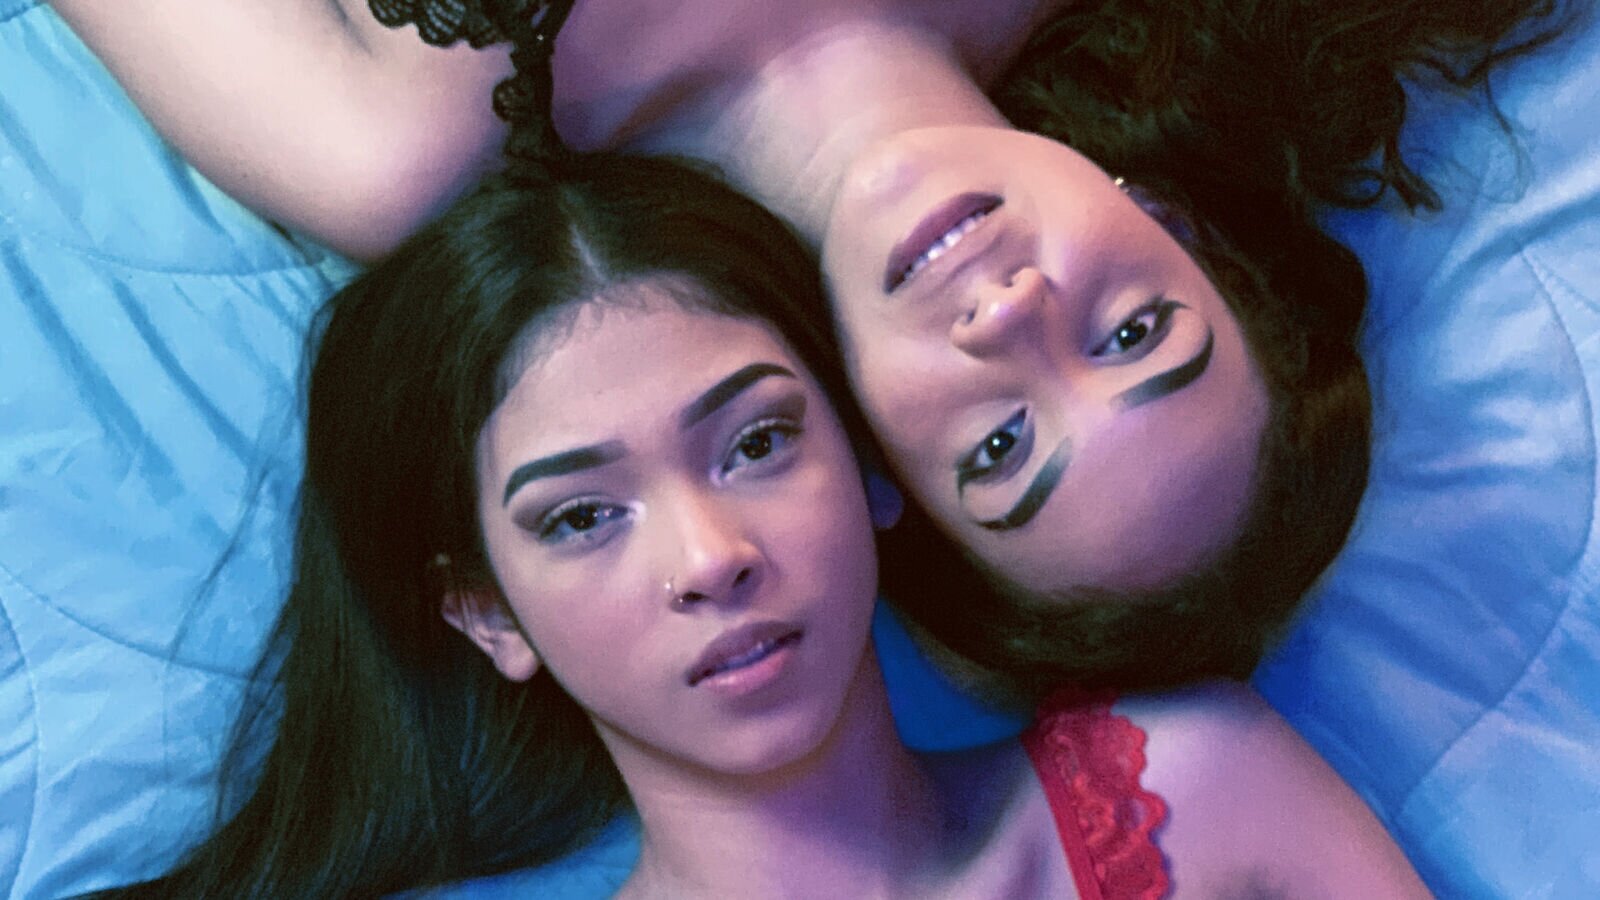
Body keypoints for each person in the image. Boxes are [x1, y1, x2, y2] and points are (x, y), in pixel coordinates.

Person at [87, 151, 1429, 899]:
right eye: (582, 516)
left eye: (759, 443)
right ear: (486, 611)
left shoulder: (1201, 785)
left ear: (876, 468)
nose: (710, 557)